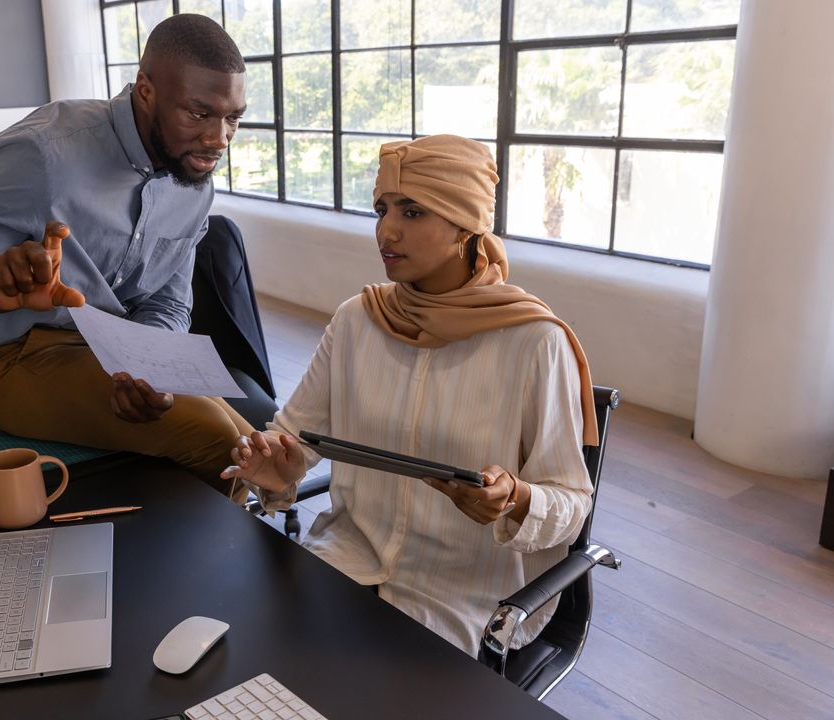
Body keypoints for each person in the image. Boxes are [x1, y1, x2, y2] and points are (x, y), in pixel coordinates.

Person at [221, 134, 599, 654]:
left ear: (466, 224)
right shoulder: (357, 319)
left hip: (459, 598)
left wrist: (516, 497)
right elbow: (292, 437)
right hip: (344, 558)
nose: (386, 230)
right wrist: (277, 468)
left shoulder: (534, 341)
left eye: (413, 211)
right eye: (381, 209)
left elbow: (573, 504)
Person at [0, 14, 255, 499]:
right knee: (222, 441)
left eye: (234, 118)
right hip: (14, 359)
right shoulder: (46, 155)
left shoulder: (192, 181)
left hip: (113, 351)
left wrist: (145, 366)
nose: (219, 139)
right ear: (146, 90)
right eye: (199, 114)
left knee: (251, 448)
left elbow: (169, 303)